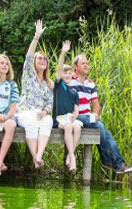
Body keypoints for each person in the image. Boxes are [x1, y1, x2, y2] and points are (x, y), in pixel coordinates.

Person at [69, 54, 132, 174]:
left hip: (87, 117)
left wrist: (96, 114)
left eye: (86, 63)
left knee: (104, 131)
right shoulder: (70, 80)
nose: (86, 65)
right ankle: (113, 163)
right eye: (82, 63)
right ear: (75, 66)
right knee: (100, 126)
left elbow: (96, 104)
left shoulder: (91, 84)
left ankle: (115, 163)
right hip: (74, 116)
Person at [18, 20, 54, 168]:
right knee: (32, 124)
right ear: (34, 62)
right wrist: (36, 36)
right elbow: (28, 57)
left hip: (40, 114)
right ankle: (36, 157)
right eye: (40, 58)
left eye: (44, 59)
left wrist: (45, 112)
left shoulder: (48, 84)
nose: (42, 60)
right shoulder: (28, 74)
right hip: (25, 112)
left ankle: (39, 156)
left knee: (48, 122)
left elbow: (49, 104)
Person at [52, 40, 82, 171]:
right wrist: (63, 53)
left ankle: (70, 155)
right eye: (65, 73)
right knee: (69, 127)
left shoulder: (75, 92)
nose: (68, 75)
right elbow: (59, 69)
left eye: (70, 73)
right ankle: (72, 157)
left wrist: (75, 116)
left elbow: (76, 110)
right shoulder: (59, 86)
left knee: (78, 127)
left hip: (70, 118)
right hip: (59, 119)